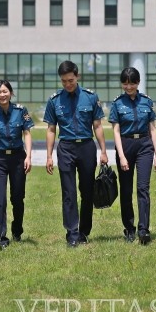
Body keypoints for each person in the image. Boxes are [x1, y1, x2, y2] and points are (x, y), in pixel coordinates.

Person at [44, 60, 108, 248]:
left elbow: (97, 125)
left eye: (70, 80)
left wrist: (103, 150)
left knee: (87, 192)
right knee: (68, 192)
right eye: (63, 81)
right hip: (66, 148)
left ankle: (84, 232)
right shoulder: (54, 100)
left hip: (87, 147)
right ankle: (71, 232)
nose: (67, 84)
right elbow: (50, 129)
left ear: (77, 76)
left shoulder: (90, 97)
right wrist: (49, 155)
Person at [0, 80, 34, 250]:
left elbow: (27, 133)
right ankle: (2, 237)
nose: (2, 95)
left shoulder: (20, 111)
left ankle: (17, 230)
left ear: (10, 92)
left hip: (18, 158)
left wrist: (29, 157)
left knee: (17, 198)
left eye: (5, 91)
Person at [109, 67, 156, 245]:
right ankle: (129, 228)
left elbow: (153, 128)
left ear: (138, 83)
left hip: (145, 145)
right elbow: (115, 131)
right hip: (125, 145)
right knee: (126, 189)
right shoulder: (117, 104)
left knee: (143, 188)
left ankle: (144, 229)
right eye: (125, 83)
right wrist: (122, 156)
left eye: (132, 83)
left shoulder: (147, 101)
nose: (128, 86)